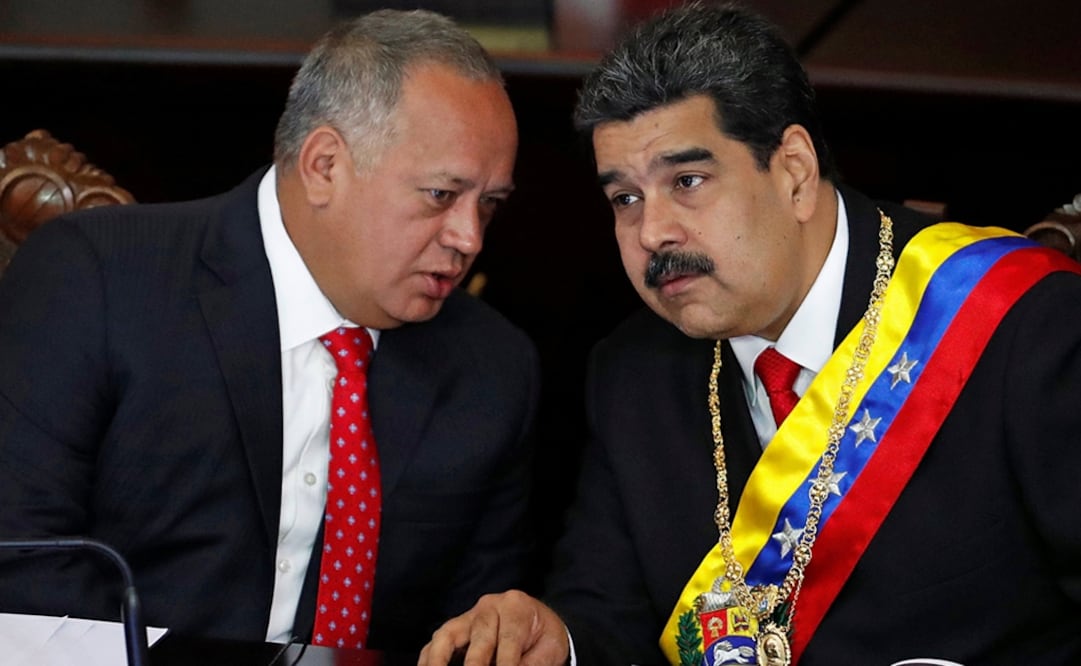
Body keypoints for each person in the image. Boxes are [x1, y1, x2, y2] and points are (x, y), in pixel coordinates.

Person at [419, 3, 1081, 665]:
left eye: (687, 181)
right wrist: (553, 642)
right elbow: (609, 616)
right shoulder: (632, 372)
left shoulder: (1020, 329)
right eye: (625, 198)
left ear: (792, 170)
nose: (652, 233)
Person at [0, 8, 540, 654]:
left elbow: (475, 634)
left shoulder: (493, 368)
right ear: (323, 167)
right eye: (439, 196)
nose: (468, 238)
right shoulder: (99, 280)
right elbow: (22, 574)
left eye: (489, 204)